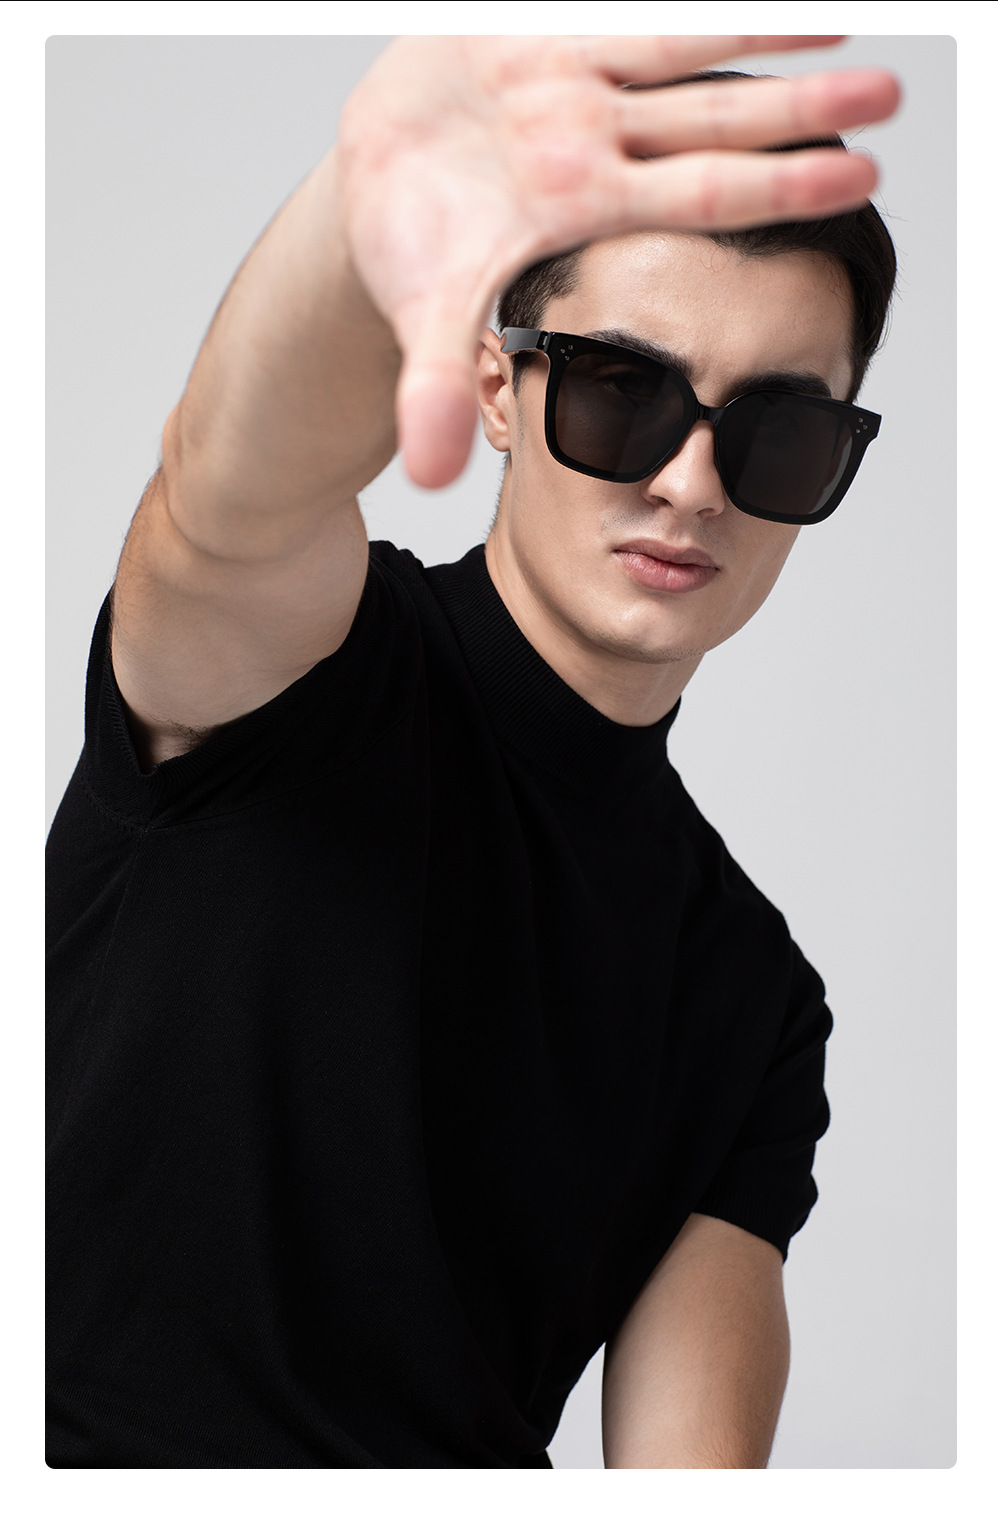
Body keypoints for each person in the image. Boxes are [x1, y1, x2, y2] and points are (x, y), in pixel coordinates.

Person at [46, 35, 900, 1469]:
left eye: (780, 432)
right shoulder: (308, 663)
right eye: (622, 389)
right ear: (500, 390)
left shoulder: (753, 1000)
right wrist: (353, 215)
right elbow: (223, 501)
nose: (691, 481)